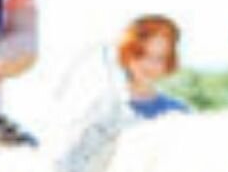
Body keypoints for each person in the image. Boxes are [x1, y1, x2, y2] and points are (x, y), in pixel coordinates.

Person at [55, 12, 191, 124]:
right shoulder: (102, 109)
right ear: (127, 54)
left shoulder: (178, 113)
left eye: (159, 58)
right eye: (142, 55)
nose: (150, 66)